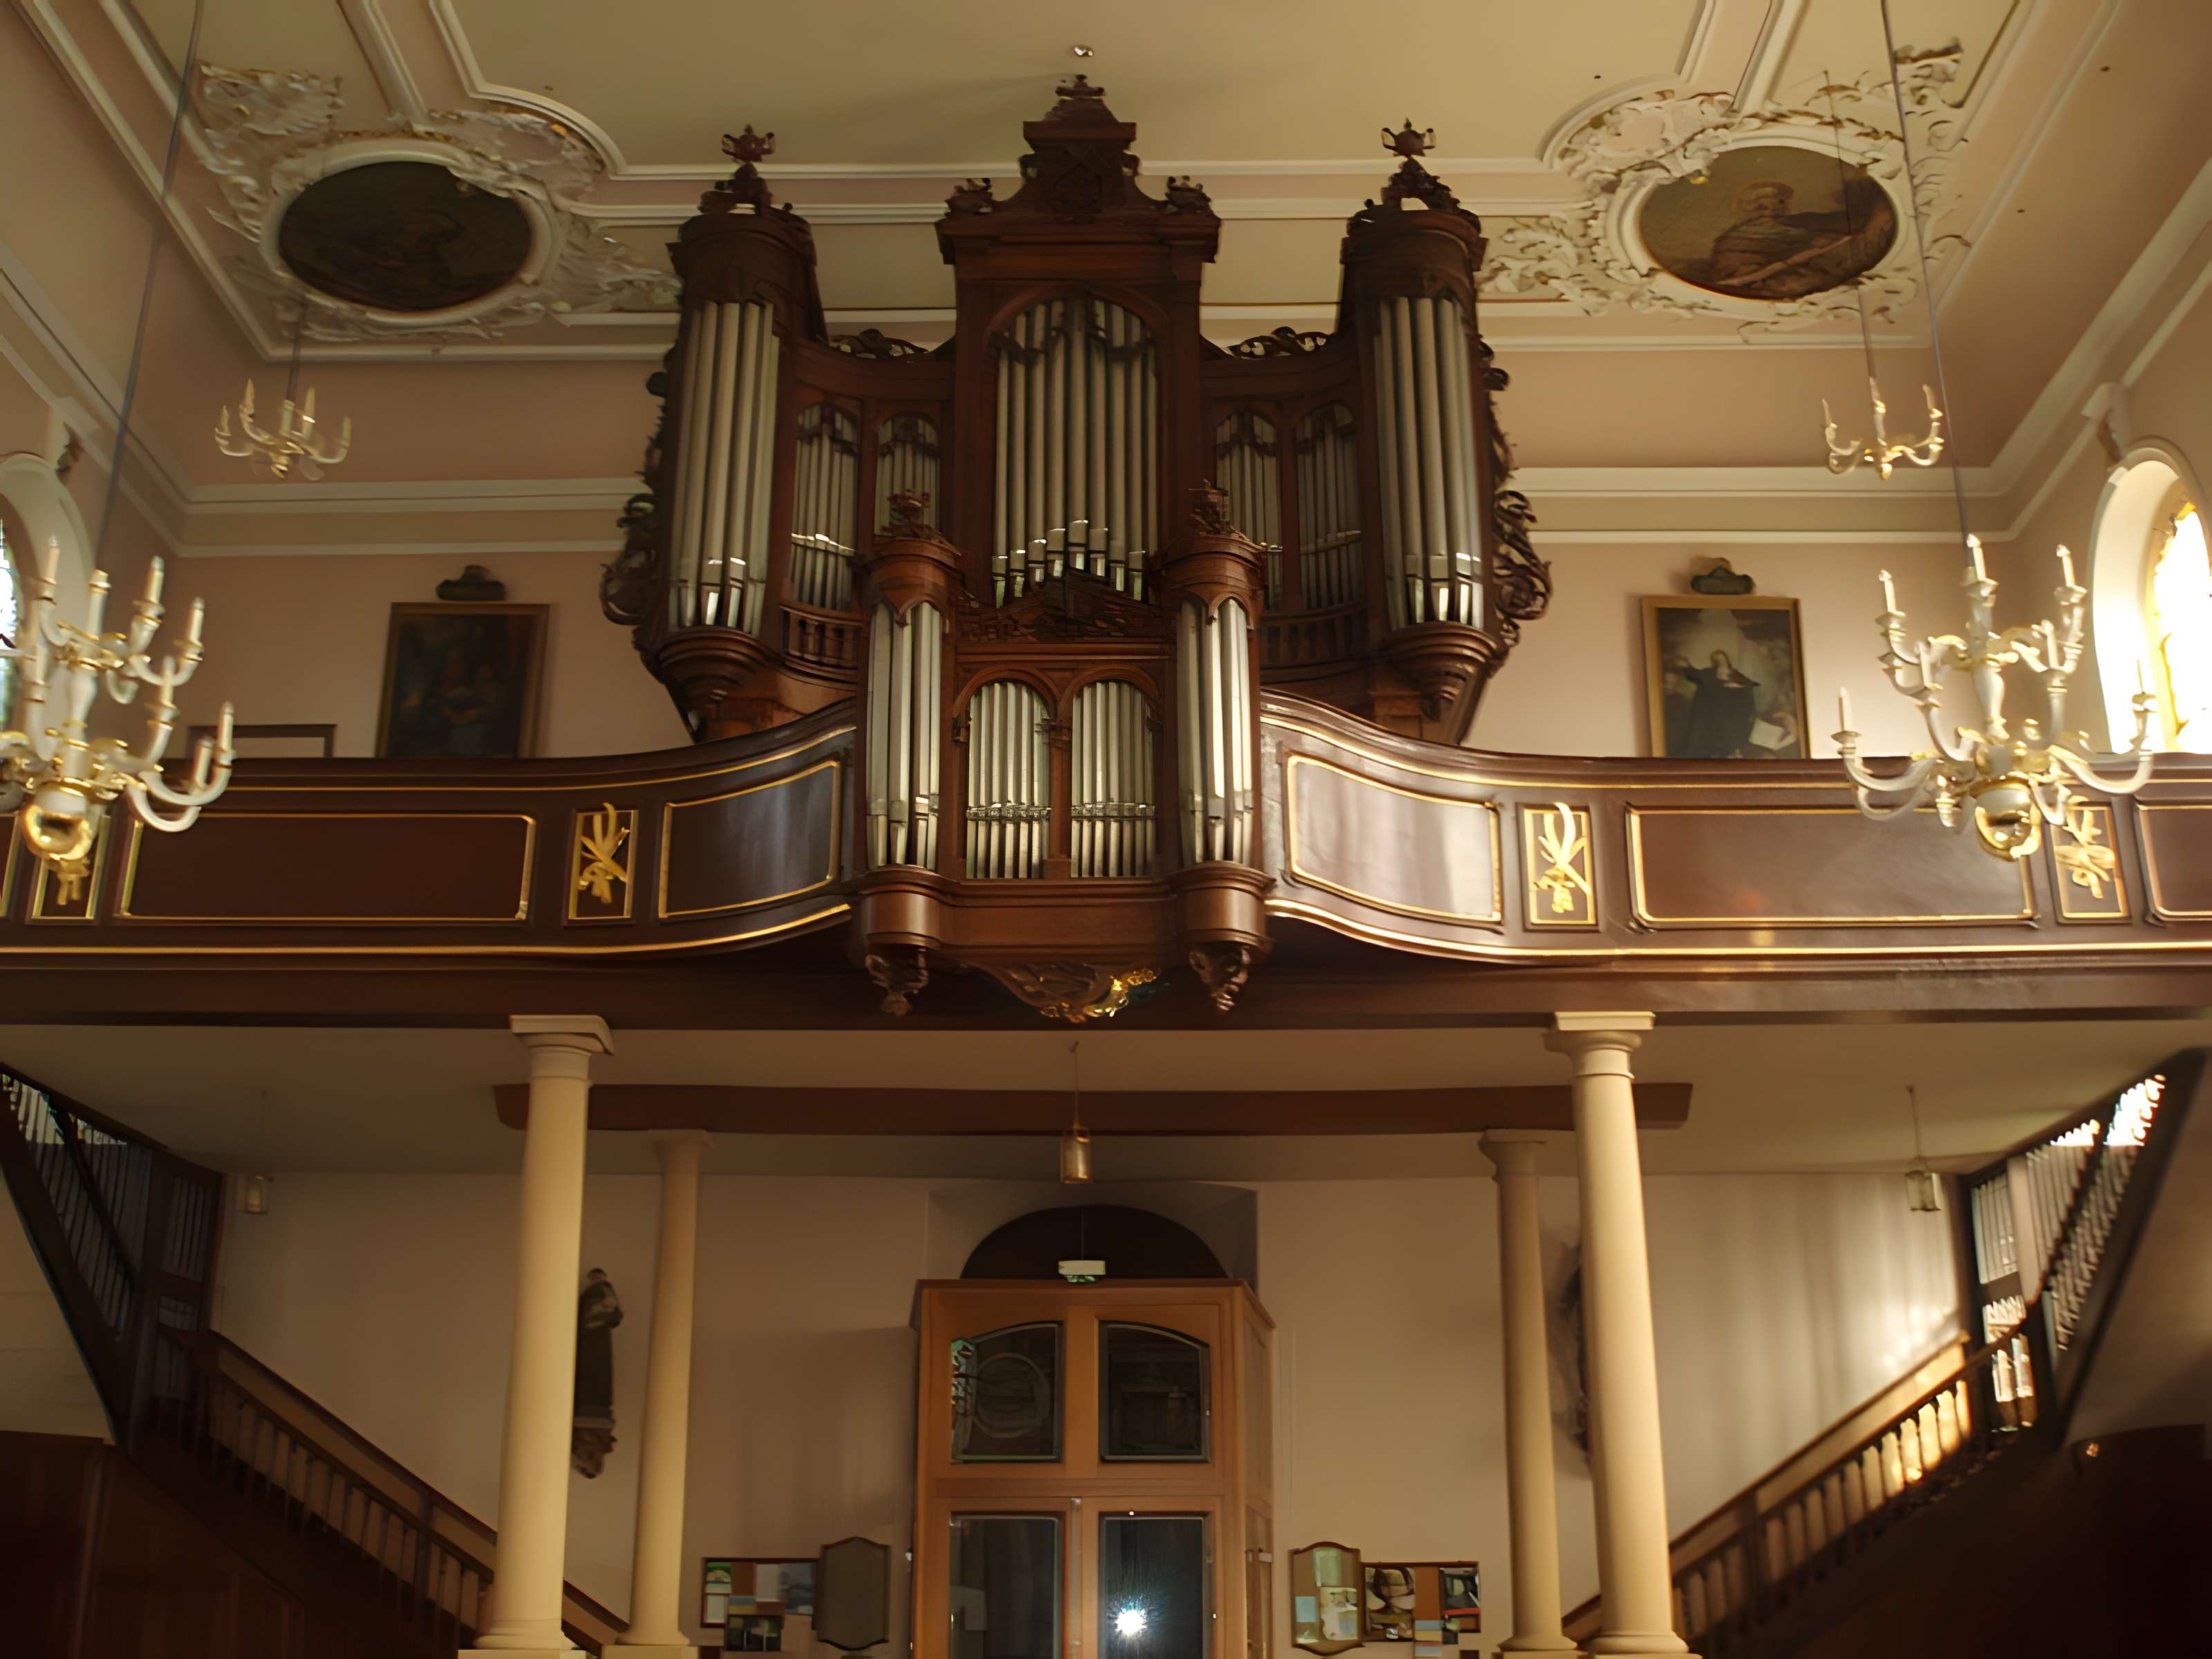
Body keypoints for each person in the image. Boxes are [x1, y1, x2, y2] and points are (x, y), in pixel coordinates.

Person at [1703, 175, 1895, 300]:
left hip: (1805, 274)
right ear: (1747, 209)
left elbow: (1833, 228)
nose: (1772, 209)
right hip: (1763, 284)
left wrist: (1822, 243)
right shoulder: (1733, 239)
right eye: (1761, 205)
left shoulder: (1801, 222)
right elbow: (1734, 273)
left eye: (1779, 203)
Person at [1680, 650, 1761, 758]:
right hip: (1713, 711)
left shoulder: (1737, 675)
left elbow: (1752, 686)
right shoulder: (1709, 674)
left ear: (1727, 660)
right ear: (1715, 663)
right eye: (1718, 660)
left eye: (1723, 659)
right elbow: (1694, 675)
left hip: (1733, 712)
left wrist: (1738, 686)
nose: (1721, 662)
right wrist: (1686, 666)